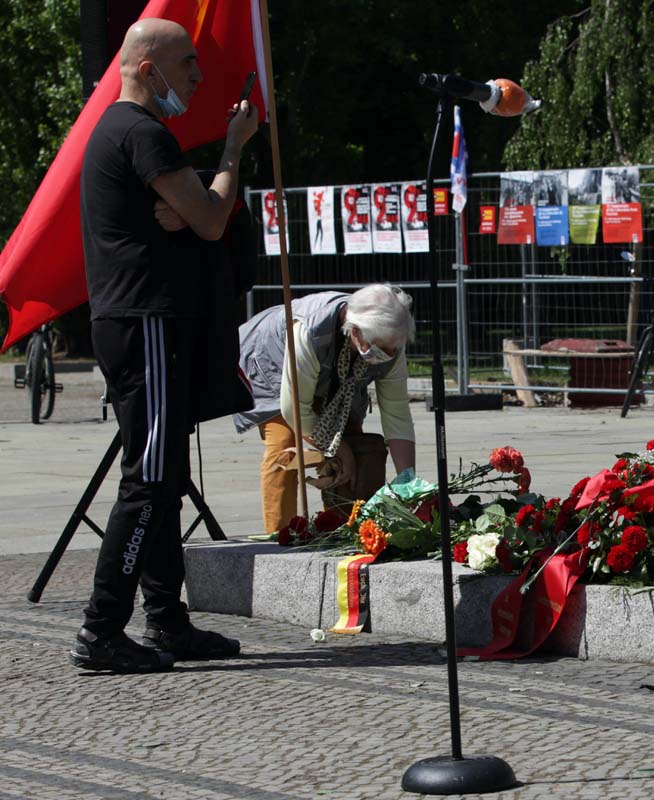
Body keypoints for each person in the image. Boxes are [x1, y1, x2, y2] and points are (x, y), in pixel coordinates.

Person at [72, 18, 259, 672]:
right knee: (150, 480)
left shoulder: (123, 132)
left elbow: (191, 213)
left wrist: (190, 202)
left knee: (166, 477)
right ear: (149, 70)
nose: (198, 78)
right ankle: (101, 628)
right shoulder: (141, 132)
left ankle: (166, 620)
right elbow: (210, 219)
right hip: (143, 320)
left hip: (139, 319)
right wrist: (232, 149)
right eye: (187, 65)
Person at [234, 286, 417, 535]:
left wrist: (409, 481)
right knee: (284, 444)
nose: (387, 355)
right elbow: (295, 410)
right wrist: (336, 448)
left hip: (335, 374)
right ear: (354, 331)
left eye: (392, 349)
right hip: (269, 361)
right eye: (378, 348)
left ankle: (345, 530)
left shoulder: (391, 338)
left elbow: (397, 414)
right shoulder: (309, 330)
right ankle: (280, 534)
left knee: (356, 443)